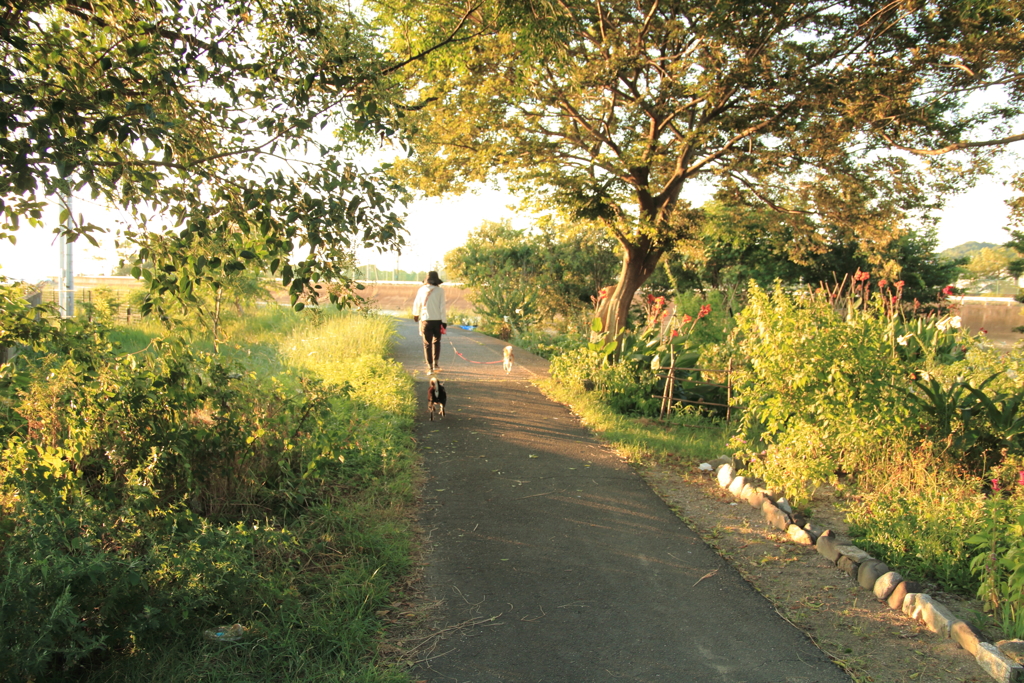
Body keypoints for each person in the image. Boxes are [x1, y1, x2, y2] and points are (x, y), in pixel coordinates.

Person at [412, 271, 447, 373]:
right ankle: (436, 364)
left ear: (426, 280)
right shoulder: (440, 291)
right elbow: (442, 307)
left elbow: (416, 303)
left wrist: (415, 314)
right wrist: (444, 322)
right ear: (437, 281)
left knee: (427, 344)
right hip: (438, 321)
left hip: (425, 320)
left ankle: (430, 367)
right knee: (436, 342)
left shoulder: (421, 290)